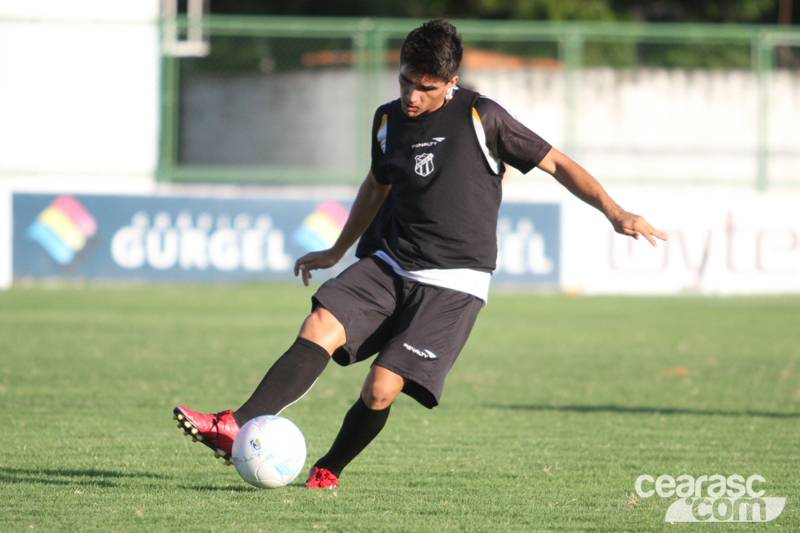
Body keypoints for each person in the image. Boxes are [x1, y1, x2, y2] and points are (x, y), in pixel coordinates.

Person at [173, 19, 667, 489]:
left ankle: (330, 466)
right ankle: (233, 425)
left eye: (426, 87)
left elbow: (557, 163)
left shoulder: (482, 117)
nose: (412, 95)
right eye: (406, 81)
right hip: (391, 263)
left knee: (380, 388)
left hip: (455, 283)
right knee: (319, 324)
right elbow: (376, 186)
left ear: (451, 83)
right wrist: (337, 250)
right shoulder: (388, 120)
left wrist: (615, 211)